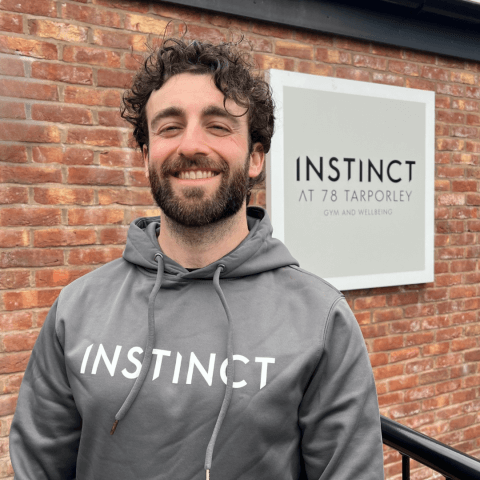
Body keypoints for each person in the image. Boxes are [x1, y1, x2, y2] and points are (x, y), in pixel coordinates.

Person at [10, 37, 384, 479]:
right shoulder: (76, 309)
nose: (190, 145)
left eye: (218, 126)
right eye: (169, 127)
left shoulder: (320, 319)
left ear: (255, 158)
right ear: (146, 156)